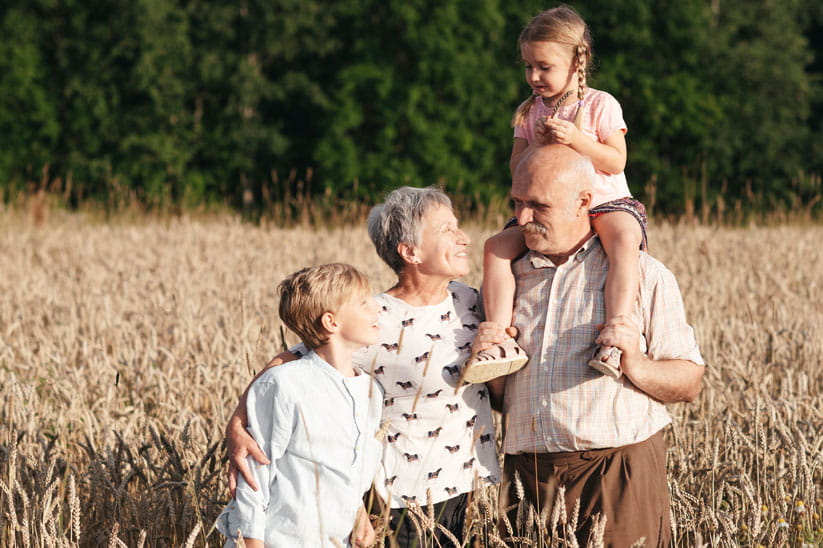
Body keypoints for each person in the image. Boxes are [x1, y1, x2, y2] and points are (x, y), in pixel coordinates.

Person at [225, 187, 500, 547]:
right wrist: (238, 423)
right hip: (403, 498)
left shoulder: (469, 300)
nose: (463, 237)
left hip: (468, 483)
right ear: (410, 251)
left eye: (458, 225)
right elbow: (291, 360)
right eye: (447, 229)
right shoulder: (374, 319)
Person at [482, 144, 705, 547]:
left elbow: (689, 382)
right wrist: (491, 365)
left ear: (584, 201)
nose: (522, 218)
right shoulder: (508, 281)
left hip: (615, 472)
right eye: (517, 202)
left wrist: (635, 363)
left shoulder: (643, 275)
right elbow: (501, 400)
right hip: (527, 477)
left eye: (539, 205)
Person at [464, 5, 647, 383]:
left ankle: (616, 332)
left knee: (626, 240)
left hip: (604, 201)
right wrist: (537, 149)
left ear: (577, 62)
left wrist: (578, 140)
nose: (534, 76)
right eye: (528, 66)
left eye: (544, 67)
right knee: (496, 247)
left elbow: (616, 161)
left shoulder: (600, 105)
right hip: (545, 208)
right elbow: (516, 169)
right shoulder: (528, 113)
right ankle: (499, 338)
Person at [216, 263, 384, 548]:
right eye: (363, 303)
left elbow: (348, 467)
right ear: (331, 322)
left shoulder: (371, 391)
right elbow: (254, 477)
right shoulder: (284, 383)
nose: (377, 309)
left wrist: (358, 512)